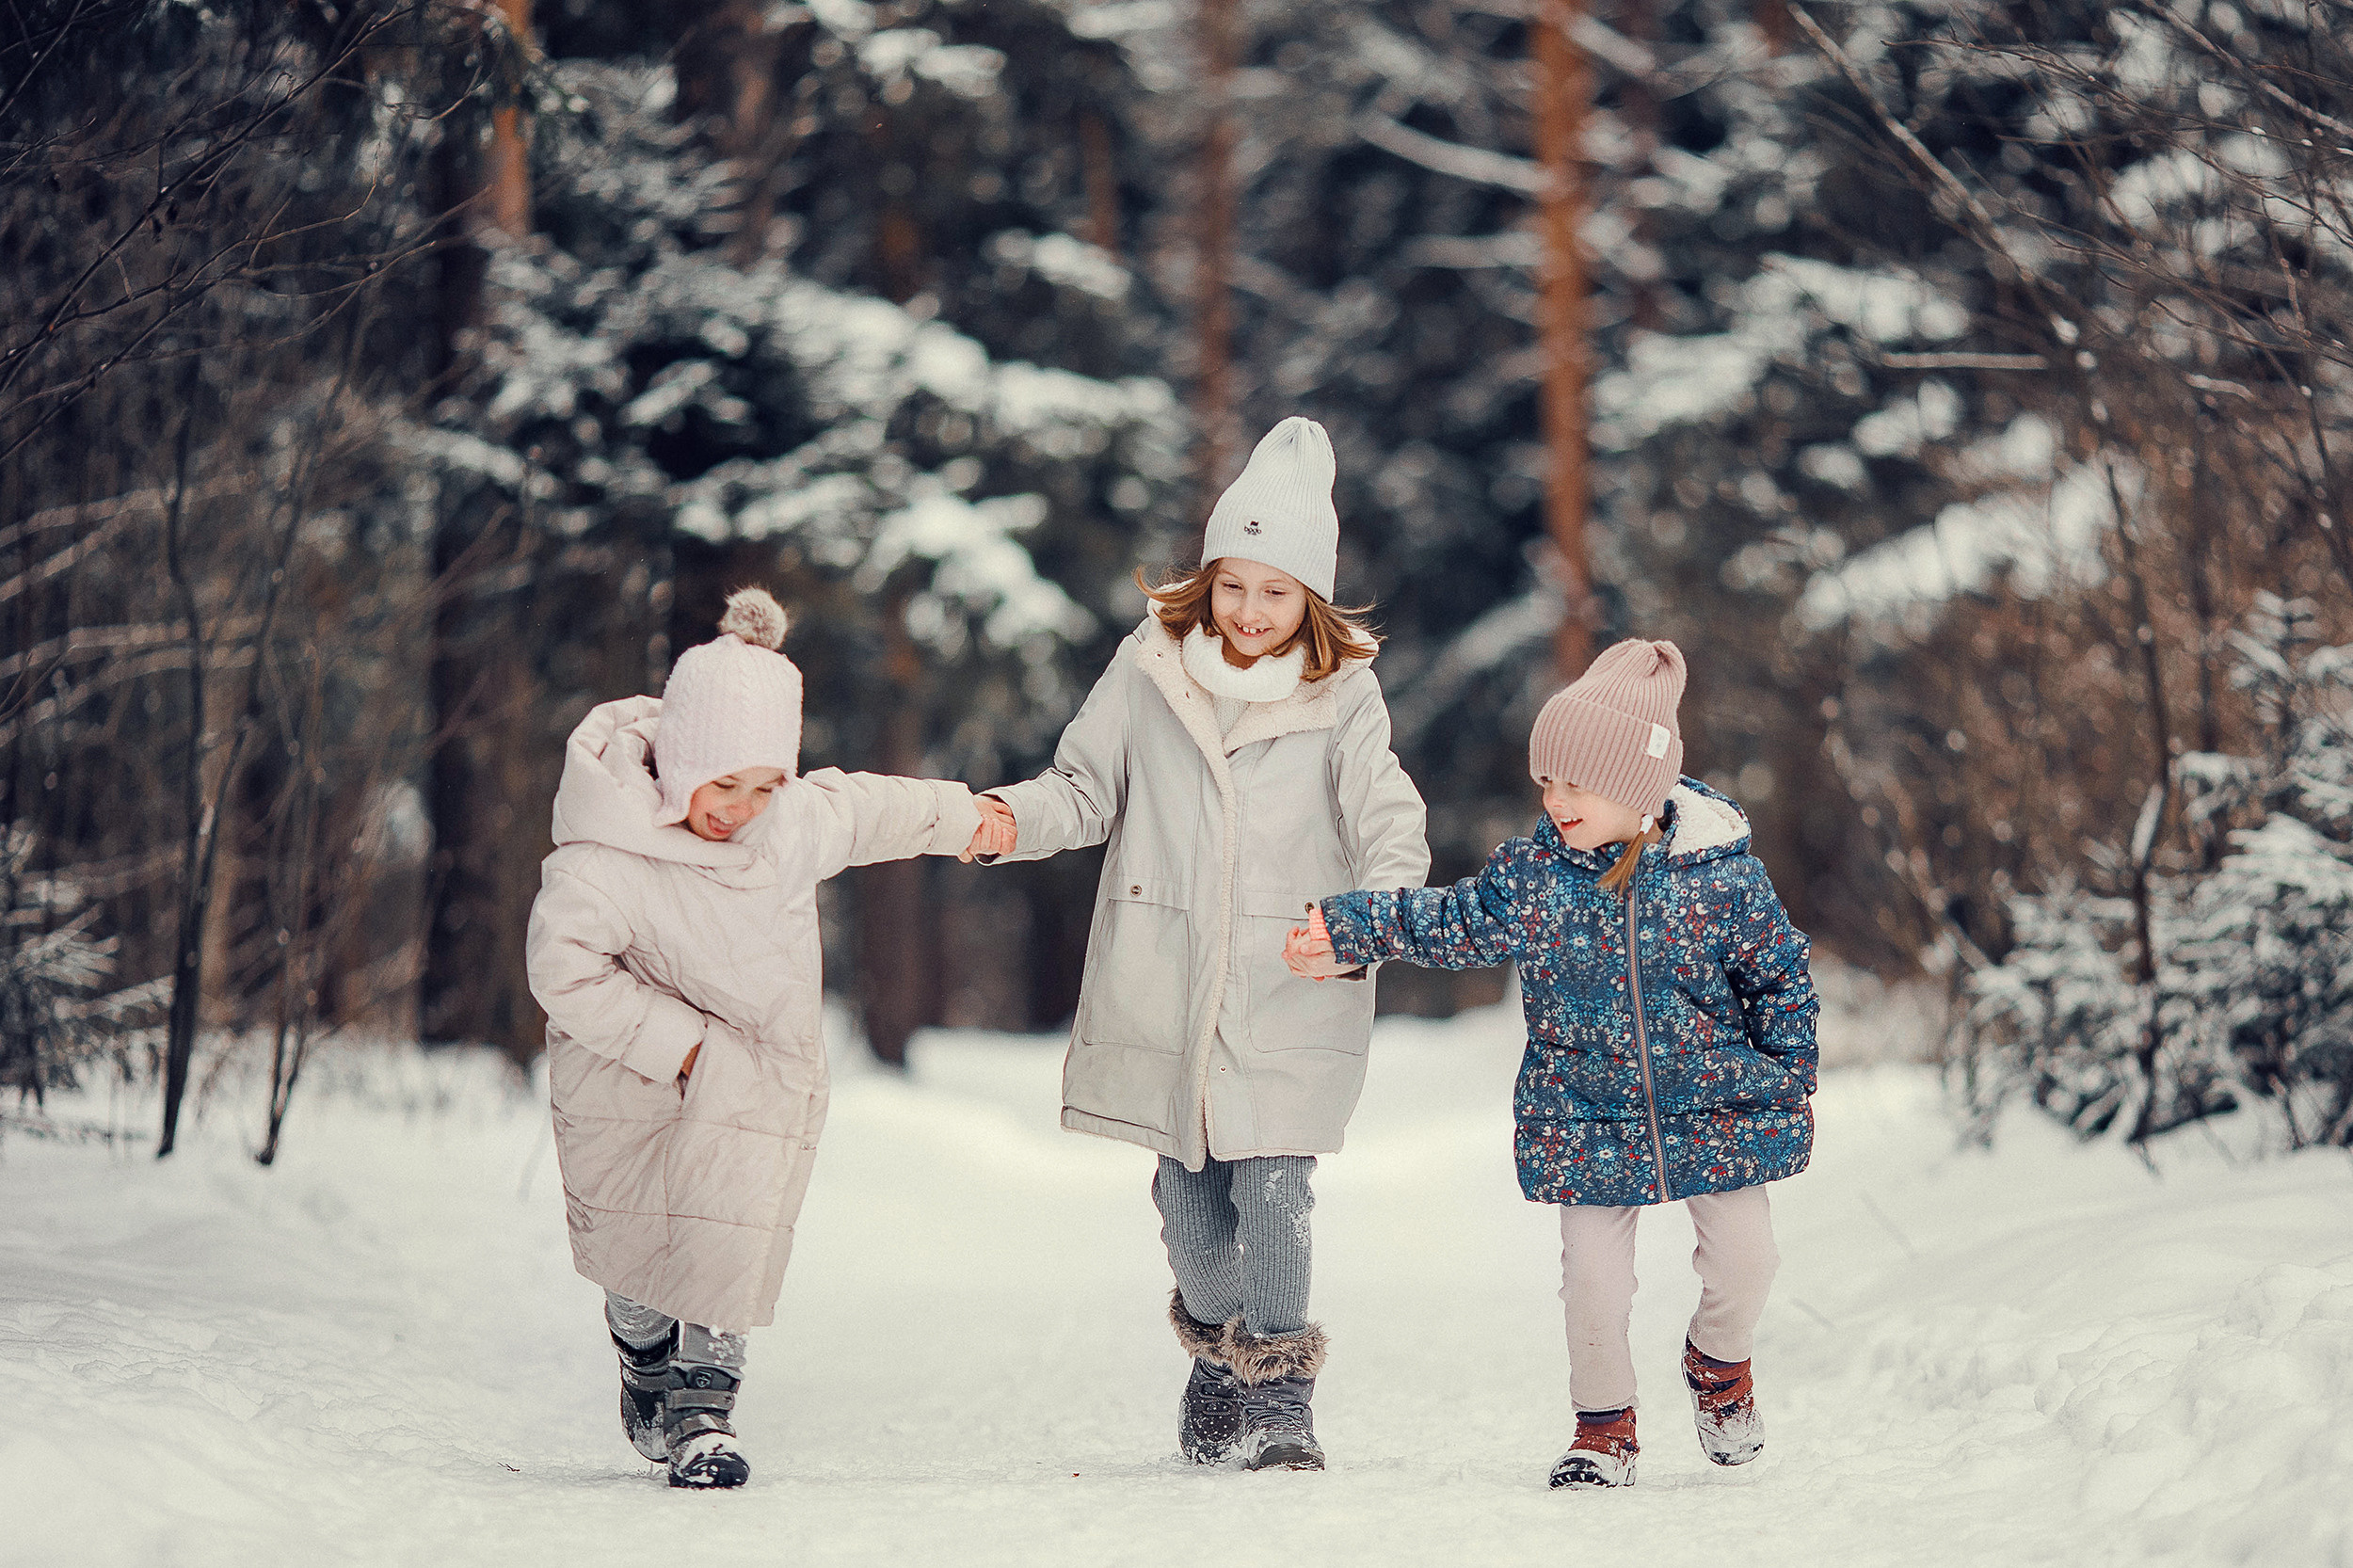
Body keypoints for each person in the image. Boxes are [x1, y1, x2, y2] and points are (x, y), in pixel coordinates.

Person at [973, 416, 1428, 1470]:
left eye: (1276, 592)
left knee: (1274, 1188)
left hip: (1292, 974)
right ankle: (1216, 1345)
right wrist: (1006, 821)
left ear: (1309, 598)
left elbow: (1387, 818)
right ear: (1206, 580)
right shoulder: (1149, 669)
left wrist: (1372, 914)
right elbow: (1082, 788)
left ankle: (1281, 1390)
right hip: (1167, 978)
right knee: (1189, 1208)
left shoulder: (1343, 692)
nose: (1251, 611)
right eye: (1234, 585)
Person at [1285, 638, 1818, 1489]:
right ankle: (1603, 1429)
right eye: (1547, 781)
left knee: (1747, 1261)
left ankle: (1720, 1365)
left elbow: (1778, 974)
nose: (1556, 799)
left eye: (1577, 782)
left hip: (1718, 1103)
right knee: (1595, 1289)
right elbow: (1452, 922)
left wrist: (1787, 1071)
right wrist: (1354, 926)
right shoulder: (1537, 875)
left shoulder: (1721, 875)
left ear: (1638, 789)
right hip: (1584, 1114)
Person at [525, 587, 995, 1488]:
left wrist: (970, 819)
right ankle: (642, 1355)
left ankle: (706, 1412)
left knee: (729, 1240)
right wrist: (684, 1049)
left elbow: (870, 809)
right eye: (724, 784)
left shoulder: (787, 826)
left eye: (764, 785)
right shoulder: (605, 851)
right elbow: (565, 971)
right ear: (677, 764)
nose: (741, 807)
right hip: (631, 1085)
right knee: (640, 1254)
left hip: (750, 1085)